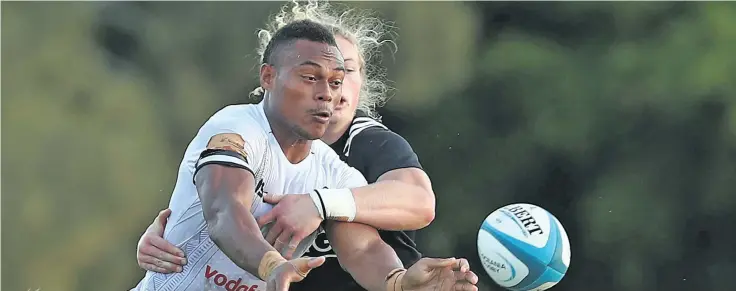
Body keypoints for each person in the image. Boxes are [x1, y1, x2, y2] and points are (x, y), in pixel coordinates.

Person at [135, 2, 464, 291]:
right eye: (309, 77)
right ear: (268, 77)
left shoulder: (339, 170)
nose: (327, 93)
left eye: (337, 80)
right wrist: (272, 266)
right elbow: (224, 213)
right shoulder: (235, 129)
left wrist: (399, 282)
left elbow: (363, 250)